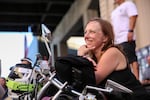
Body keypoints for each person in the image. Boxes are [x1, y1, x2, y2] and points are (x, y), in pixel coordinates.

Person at [77, 17, 150, 100]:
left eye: (92, 32)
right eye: (85, 32)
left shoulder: (112, 52)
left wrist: (81, 56)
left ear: (105, 38)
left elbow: (92, 80)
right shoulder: (93, 59)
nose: (86, 36)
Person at [111, 0, 139, 80]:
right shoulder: (114, 12)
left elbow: (133, 16)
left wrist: (130, 31)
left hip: (126, 37)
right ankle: (130, 80)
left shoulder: (128, 4)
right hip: (117, 40)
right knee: (124, 61)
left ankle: (137, 79)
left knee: (132, 59)